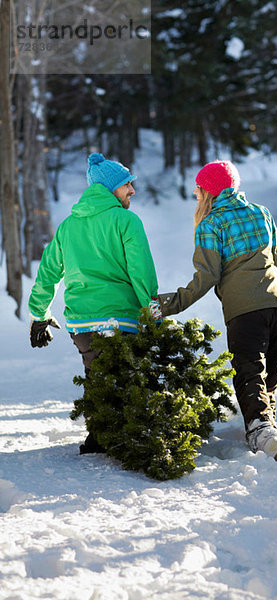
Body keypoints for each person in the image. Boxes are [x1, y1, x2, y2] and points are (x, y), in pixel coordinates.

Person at [149, 160, 277, 461]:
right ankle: (268, 431)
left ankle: (263, 435)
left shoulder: (211, 223)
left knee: (250, 374)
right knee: (267, 379)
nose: (196, 196)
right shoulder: (261, 213)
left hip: (245, 312)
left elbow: (206, 278)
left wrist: (167, 305)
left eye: (198, 191)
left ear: (208, 193)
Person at [29, 152, 158, 453]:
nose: (132, 191)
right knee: (128, 378)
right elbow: (141, 273)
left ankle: (100, 434)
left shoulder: (67, 226)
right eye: (127, 185)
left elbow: (48, 273)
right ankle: (124, 436)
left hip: (83, 323)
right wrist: (152, 313)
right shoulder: (126, 220)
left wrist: (39, 314)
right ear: (111, 188)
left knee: (97, 373)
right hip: (121, 317)